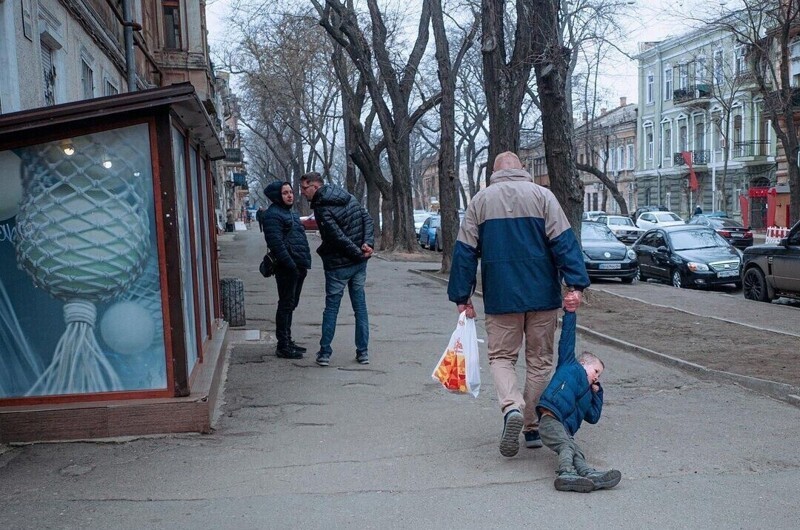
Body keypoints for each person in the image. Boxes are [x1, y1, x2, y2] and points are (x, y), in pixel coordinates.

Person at [448, 151, 590, 458]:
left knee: (501, 357)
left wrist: (463, 297)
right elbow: (565, 243)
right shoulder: (544, 196)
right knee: (539, 360)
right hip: (543, 295)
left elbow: (465, 252)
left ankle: (511, 407)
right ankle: (531, 426)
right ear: (522, 169)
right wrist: (575, 284)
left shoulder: (480, 201)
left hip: (501, 297)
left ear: (494, 173)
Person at [537, 310, 621, 492]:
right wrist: (570, 313)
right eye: (596, 371)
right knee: (566, 445)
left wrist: (598, 394)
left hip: (565, 428)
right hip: (550, 419)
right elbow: (567, 338)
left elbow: (593, 417)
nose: (597, 377)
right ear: (583, 363)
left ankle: (588, 475)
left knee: (576, 450)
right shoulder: (569, 366)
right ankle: (565, 473)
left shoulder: (590, 393)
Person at [299, 171, 374, 366]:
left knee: (331, 309)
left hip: (338, 265)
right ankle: (363, 352)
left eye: (304, 188)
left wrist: (361, 251)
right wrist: (367, 244)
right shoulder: (347, 196)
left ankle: (325, 353)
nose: (302, 193)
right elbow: (367, 219)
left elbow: (336, 237)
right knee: (360, 308)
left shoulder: (323, 208)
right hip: (358, 263)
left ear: (315, 186)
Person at [263, 182, 312, 359]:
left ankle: (288, 340)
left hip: (298, 267)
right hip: (287, 268)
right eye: (285, 193)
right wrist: (290, 265)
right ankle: (282, 345)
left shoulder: (288, 212)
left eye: (291, 192)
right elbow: (276, 243)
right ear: (277, 195)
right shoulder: (273, 215)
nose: (290, 195)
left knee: (291, 304)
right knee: (285, 305)